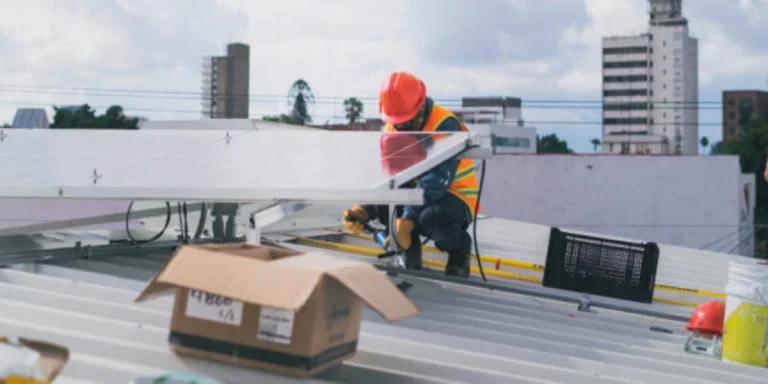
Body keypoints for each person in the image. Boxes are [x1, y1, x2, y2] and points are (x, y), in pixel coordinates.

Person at [341, 71, 481, 278]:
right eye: (398, 121)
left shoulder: (444, 124)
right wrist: (367, 208)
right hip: (418, 194)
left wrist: (407, 218)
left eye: (407, 120)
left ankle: (459, 250)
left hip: (455, 197)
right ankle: (409, 257)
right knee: (389, 203)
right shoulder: (391, 129)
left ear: (421, 104)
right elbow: (390, 179)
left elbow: (436, 181)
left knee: (429, 219)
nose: (402, 126)